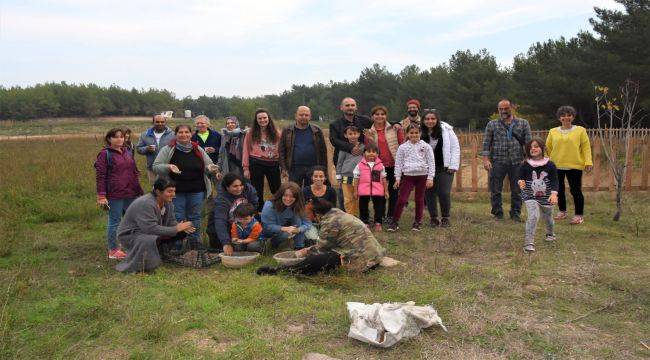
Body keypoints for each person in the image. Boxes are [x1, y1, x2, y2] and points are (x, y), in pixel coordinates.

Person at [256, 198, 386, 276]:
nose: (305, 215)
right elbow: (328, 243)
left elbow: (321, 248)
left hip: (363, 260)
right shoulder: (335, 213)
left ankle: (283, 270)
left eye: (307, 212)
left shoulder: (331, 222)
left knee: (318, 259)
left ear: (316, 213)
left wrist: (303, 252)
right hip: (374, 255)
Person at [152, 125, 219, 248]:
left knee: (195, 216)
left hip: (197, 190)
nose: (184, 135)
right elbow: (156, 166)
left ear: (191, 134)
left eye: (187, 132)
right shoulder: (168, 149)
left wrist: (210, 168)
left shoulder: (197, 148)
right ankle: (176, 243)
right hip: (174, 191)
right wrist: (168, 167)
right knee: (177, 216)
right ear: (175, 134)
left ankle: (195, 243)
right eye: (180, 132)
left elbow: (209, 164)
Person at [115, 178, 196, 273]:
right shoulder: (146, 203)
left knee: (181, 232)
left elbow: (171, 221)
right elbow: (150, 229)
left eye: (174, 191)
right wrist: (176, 228)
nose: (173, 195)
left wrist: (182, 227)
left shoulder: (167, 202)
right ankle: (145, 264)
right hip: (131, 234)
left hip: (147, 231)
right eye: (170, 191)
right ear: (158, 192)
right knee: (150, 238)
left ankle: (160, 253)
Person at [95, 128, 144, 260]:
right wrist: (101, 195)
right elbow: (100, 176)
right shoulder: (104, 154)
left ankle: (130, 244)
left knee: (132, 219)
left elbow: (133, 171)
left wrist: (138, 189)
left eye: (121, 137)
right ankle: (113, 250)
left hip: (131, 192)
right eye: (115, 137)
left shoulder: (127, 151)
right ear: (109, 139)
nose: (119, 139)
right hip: (115, 193)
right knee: (115, 221)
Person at [482, 99, 532, 222]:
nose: (503, 111)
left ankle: (515, 214)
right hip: (497, 161)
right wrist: (485, 159)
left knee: (517, 190)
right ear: (498, 110)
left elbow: (528, 143)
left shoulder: (523, 123)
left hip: (517, 162)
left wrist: (528, 160)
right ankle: (497, 214)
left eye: (506, 108)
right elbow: (486, 143)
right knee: (495, 190)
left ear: (512, 108)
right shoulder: (492, 124)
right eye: (501, 109)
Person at [545, 105, 593, 225]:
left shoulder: (580, 130)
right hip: (556, 165)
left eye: (569, 115)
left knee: (575, 190)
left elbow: (586, 148)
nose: (566, 117)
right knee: (558, 190)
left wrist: (588, 162)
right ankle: (562, 211)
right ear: (559, 118)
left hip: (575, 166)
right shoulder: (552, 131)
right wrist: (546, 162)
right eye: (563, 115)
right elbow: (547, 148)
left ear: (573, 116)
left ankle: (579, 215)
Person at [388, 124, 435, 232]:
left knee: (419, 200)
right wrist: (398, 178)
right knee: (402, 199)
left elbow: (431, 163)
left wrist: (430, 178)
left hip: (422, 176)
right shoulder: (403, 147)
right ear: (407, 134)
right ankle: (394, 222)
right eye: (412, 133)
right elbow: (398, 163)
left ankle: (417, 222)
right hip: (408, 176)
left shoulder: (426, 147)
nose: (414, 135)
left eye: (416, 133)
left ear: (420, 133)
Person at [329, 98, 373, 210]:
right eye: (347, 105)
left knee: (360, 189)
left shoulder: (364, 120)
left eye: (352, 105)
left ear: (356, 107)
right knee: (343, 191)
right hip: (343, 162)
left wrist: (396, 123)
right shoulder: (335, 124)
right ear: (342, 107)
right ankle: (345, 214)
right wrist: (351, 148)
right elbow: (334, 140)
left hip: (360, 161)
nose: (350, 107)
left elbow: (379, 121)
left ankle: (360, 215)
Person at [364, 105, 405, 223]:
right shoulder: (369, 132)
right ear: (372, 116)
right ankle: (380, 215)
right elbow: (368, 149)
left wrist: (400, 127)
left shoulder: (394, 128)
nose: (380, 116)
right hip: (377, 166)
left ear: (386, 116)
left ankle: (391, 215)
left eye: (382, 114)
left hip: (393, 164)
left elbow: (402, 143)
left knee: (394, 191)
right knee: (378, 191)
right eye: (377, 114)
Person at [421, 109, 461, 227]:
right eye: (427, 119)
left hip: (444, 167)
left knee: (444, 192)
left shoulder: (446, 130)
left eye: (433, 119)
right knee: (429, 193)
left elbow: (455, 147)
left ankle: (445, 218)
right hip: (426, 168)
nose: (430, 121)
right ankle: (433, 218)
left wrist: (453, 165)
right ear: (423, 121)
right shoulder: (419, 132)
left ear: (437, 120)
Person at [518, 139, 559, 252]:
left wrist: (554, 194)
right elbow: (521, 178)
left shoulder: (550, 164)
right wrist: (521, 183)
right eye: (531, 147)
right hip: (530, 196)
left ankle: (550, 234)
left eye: (536, 146)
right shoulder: (525, 165)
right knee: (533, 216)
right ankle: (528, 243)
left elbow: (555, 181)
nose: (533, 148)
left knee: (548, 218)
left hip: (547, 197)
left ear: (542, 148)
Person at [209, 173, 258, 255]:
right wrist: (226, 243)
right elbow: (220, 221)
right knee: (231, 249)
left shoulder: (248, 189)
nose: (239, 188)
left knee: (253, 247)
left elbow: (254, 206)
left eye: (241, 185)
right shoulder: (221, 199)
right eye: (235, 186)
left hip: (241, 226)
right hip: (221, 229)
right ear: (227, 187)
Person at [243, 108, 282, 212]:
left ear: (268, 118)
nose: (262, 120)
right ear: (256, 120)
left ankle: (278, 209)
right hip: (256, 163)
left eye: (264, 118)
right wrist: (246, 168)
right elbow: (246, 151)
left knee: (276, 189)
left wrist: (283, 166)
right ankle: (259, 211)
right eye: (259, 118)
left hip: (273, 163)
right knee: (257, 190)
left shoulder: (277, 133)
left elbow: (282, 150)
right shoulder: (250, 133)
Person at [279, 106, 328, 186]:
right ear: (296, 116)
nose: (304, 117)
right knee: (294, 192)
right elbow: (281, 151)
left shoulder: (317, 130)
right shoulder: (287, 130)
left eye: (306, 115)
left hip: (313, 168)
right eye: (301, 115)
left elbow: (323, 151)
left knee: (311, 193)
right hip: (294, 168)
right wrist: (284, 168)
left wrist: (323, 169)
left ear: (310, 116)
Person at [261, 182, 312, 250]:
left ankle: (299, 246)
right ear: (280, 194)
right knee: (286, 233)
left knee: (298, 219)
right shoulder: (270, 205)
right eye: (285, 195)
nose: (288, 199)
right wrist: (285, 228)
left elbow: (307, 223)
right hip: (271, 232)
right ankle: (272, 243)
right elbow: (267, 226)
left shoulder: (298, 204)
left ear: (297, 197)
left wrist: (299, 230)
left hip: (290, 228)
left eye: (292, 196)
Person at [353, 143, 388, 231]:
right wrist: (355, 191)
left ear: (378, 154)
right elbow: (356, 179)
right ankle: (365, 222)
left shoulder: (380, 165)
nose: (371, 153)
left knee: (379, 207)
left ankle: (378, 222)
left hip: (378, 191)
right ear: (364, 153)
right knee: (363, 207)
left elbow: (384, 179)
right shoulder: (359, 165)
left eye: (374, 152)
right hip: (364, 191)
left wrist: (386, 191)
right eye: (369, 152)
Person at [136, 114, 176, 184]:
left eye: (162, 122)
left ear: (165, 122)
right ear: (153, 122)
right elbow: (139, 149)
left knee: (169, 189)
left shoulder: (173, 134)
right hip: (152, 168)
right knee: (155, 190)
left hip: (168, 168)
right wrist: (146, 149)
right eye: (157, 122)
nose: (160, 124)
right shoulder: (145, 135)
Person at [336, 126, 364, 217]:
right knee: (348, 198)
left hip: (359, 177)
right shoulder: (344, 148)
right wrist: (338, 177)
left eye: (355, 133)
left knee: (358, 197)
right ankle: (349, 216)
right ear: (346, 135)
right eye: (350, 134)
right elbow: (339, 163)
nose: (353, 136)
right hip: (346, 176)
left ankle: (356, 216)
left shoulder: (363, 147)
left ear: (359, 134)